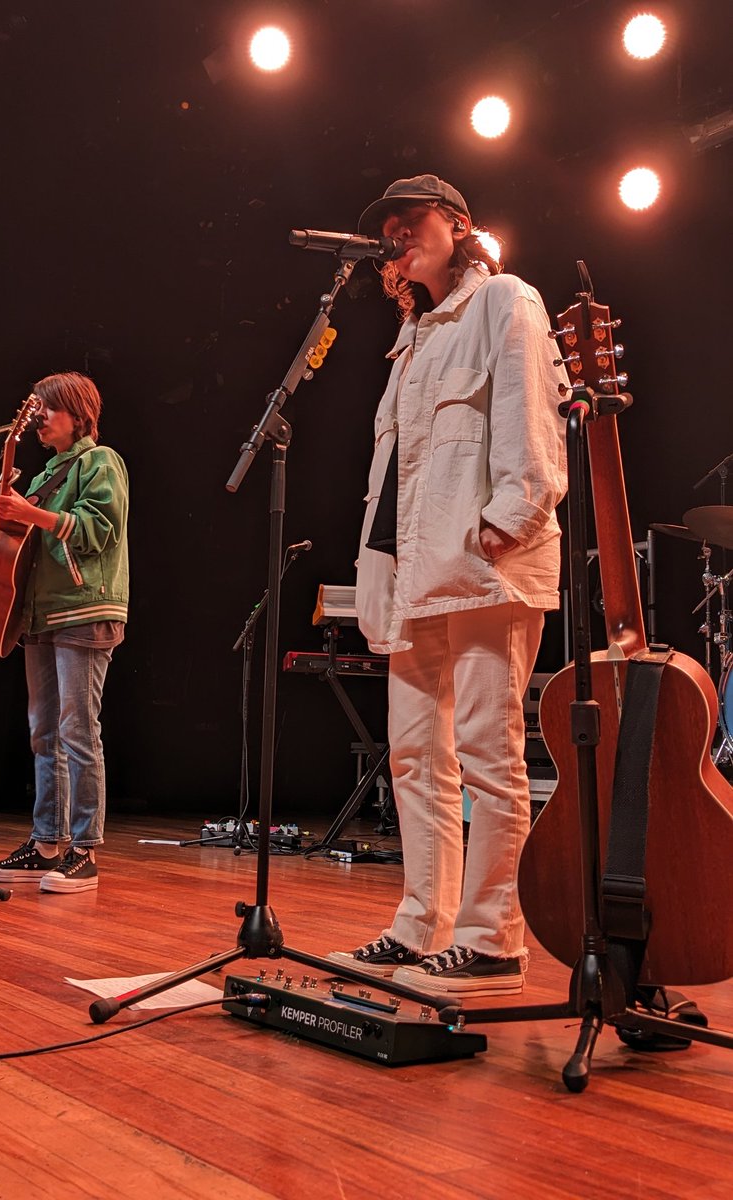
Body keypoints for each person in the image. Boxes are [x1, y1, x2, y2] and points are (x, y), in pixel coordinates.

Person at [327, 174, 567, 995]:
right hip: (412, 577)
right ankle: (418, 923)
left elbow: (534, 420)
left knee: (488, 757)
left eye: (410, 219)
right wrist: (378, 573)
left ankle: (492, 936)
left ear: (458, 225)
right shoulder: (413, 339)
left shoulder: (504, 298)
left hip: (484, 569)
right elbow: (394, 477)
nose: (395, 233)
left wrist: (506, 524)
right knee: (415, 762)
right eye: (386, 227)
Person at [0, 371, 129, 894]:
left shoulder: (100, 463)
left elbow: (94, 530)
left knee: (78, 730)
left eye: (49, 411)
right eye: (35, 413)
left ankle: (84, 852)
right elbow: (33, 545)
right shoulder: (42, 478)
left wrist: (28, 511)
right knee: (44, 733)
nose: (39, 421)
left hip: (85, 610)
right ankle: (46, 845)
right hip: (41, 615)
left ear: (79, 415)